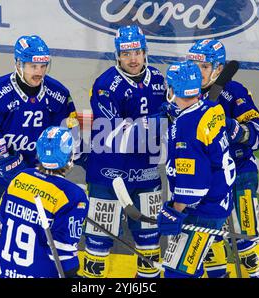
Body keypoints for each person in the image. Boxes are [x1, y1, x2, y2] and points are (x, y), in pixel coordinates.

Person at [0, 35, 79, 278]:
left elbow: (69, 131)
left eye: (42, 66)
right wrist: (10, 161)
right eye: (32, 66)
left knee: (34, 249)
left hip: (39, 185)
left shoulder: (58, 94)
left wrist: (71, 156)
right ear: (18, 64)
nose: (38, 71)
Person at [82, 25, 167, 278]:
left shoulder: (160, 80)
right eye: (126, 53)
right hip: (108, 176)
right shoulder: (105, 85)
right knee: (97, 248)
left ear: (145, 52)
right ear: (118, 55)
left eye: (137, 52)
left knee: (150, 248)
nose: (132, 59)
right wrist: (161, 119)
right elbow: (117, 135)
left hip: (147, 175)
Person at [187, 39, 259, 278]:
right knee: (210, 246)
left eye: (203, 67)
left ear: (219, 69)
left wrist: (238, 130)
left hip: (240, 172)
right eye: (193, 65)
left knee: (246, 245)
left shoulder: (234, 92)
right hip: (207, 178)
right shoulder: (184, 92)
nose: (197, 72)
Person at [157, 60, 236, 278]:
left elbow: (194, 184)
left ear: (172, 90)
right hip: (220, 201)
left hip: (202, 211)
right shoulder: (212, 108)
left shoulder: (186, 128)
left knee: (178, 273)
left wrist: (175, 211)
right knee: (191, 268)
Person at [0, 126, 88, 278]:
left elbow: (2, 218)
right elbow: (63, 255)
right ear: (70, 156)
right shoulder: (72, 196)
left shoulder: (19, 178)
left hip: (4, 273)